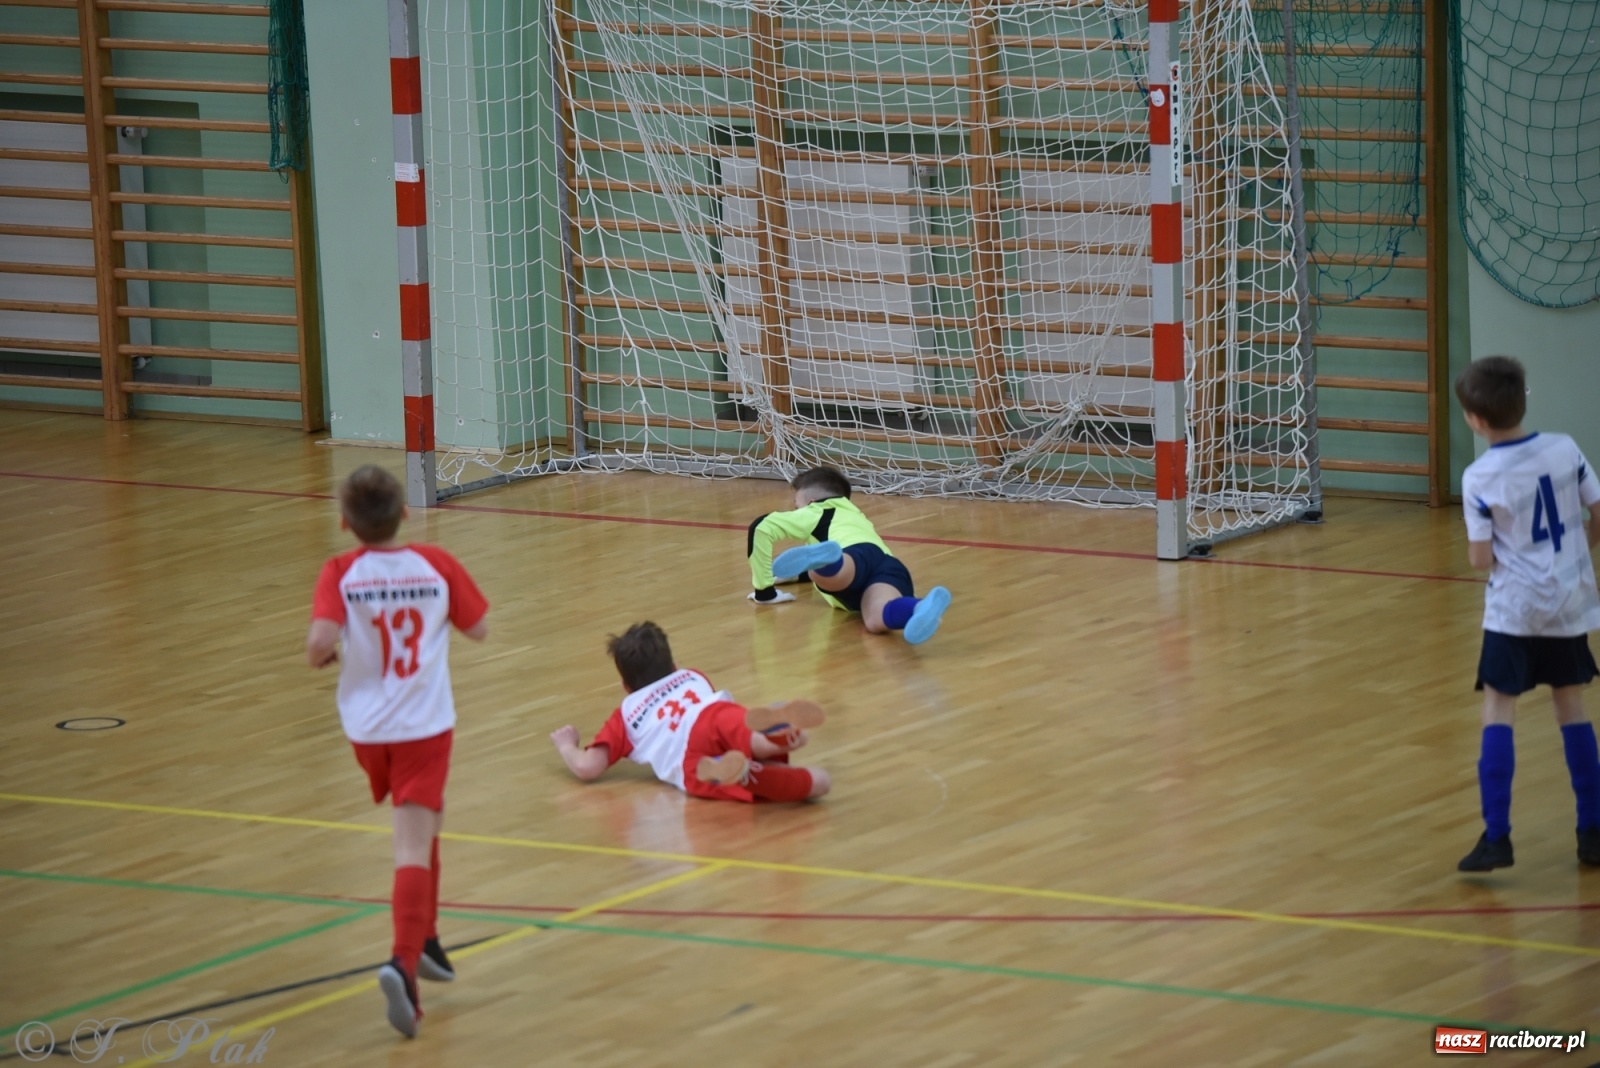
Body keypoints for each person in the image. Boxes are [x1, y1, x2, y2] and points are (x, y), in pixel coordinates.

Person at [305, 464, 489, 1036]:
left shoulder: (340, 571)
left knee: (428, 820)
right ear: (405, 513)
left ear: (345, 522)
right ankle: (403, 963)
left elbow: (318, 643)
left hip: (366, 731)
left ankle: (427, 937)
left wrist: (328, 651)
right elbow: (479, 628)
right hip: (422, 727)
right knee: (411, 841)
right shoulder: (436, 563)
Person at [1453, 356, 1600, 872]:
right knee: (1572, 708)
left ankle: (1497, 837)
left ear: (1476, 419)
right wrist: (1574, 553)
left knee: (1498, 710)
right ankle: (1592, 831)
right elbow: (1597, 511)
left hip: (1514, 609)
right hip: (1568, 601)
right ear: (1522, 400)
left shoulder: (1479, 476)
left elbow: (1479, 559)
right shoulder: (1564, 448)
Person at [550, 621, 830, 803]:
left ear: (627, 687)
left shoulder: (627, 713)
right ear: (674, 666)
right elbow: (712, 720)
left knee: (817, 781)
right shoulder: (692, 677)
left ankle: (744, 772)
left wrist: (566, 746)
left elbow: (587, 767)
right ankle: (772, 735)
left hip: (691, 764)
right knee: (755, 739)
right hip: (713, 714)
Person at [745, 466, 951, 644]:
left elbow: (761, 527)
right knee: (875, 618)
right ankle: (919, 607)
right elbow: (863, 563)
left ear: (811, 501)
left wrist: (764, 592)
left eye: (796, 504)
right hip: (888, 566)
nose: (796, 509)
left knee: (825, 573)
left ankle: (827, 563)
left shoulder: (816, 510)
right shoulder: (855, 514)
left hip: (849, 561)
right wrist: (794, 576)